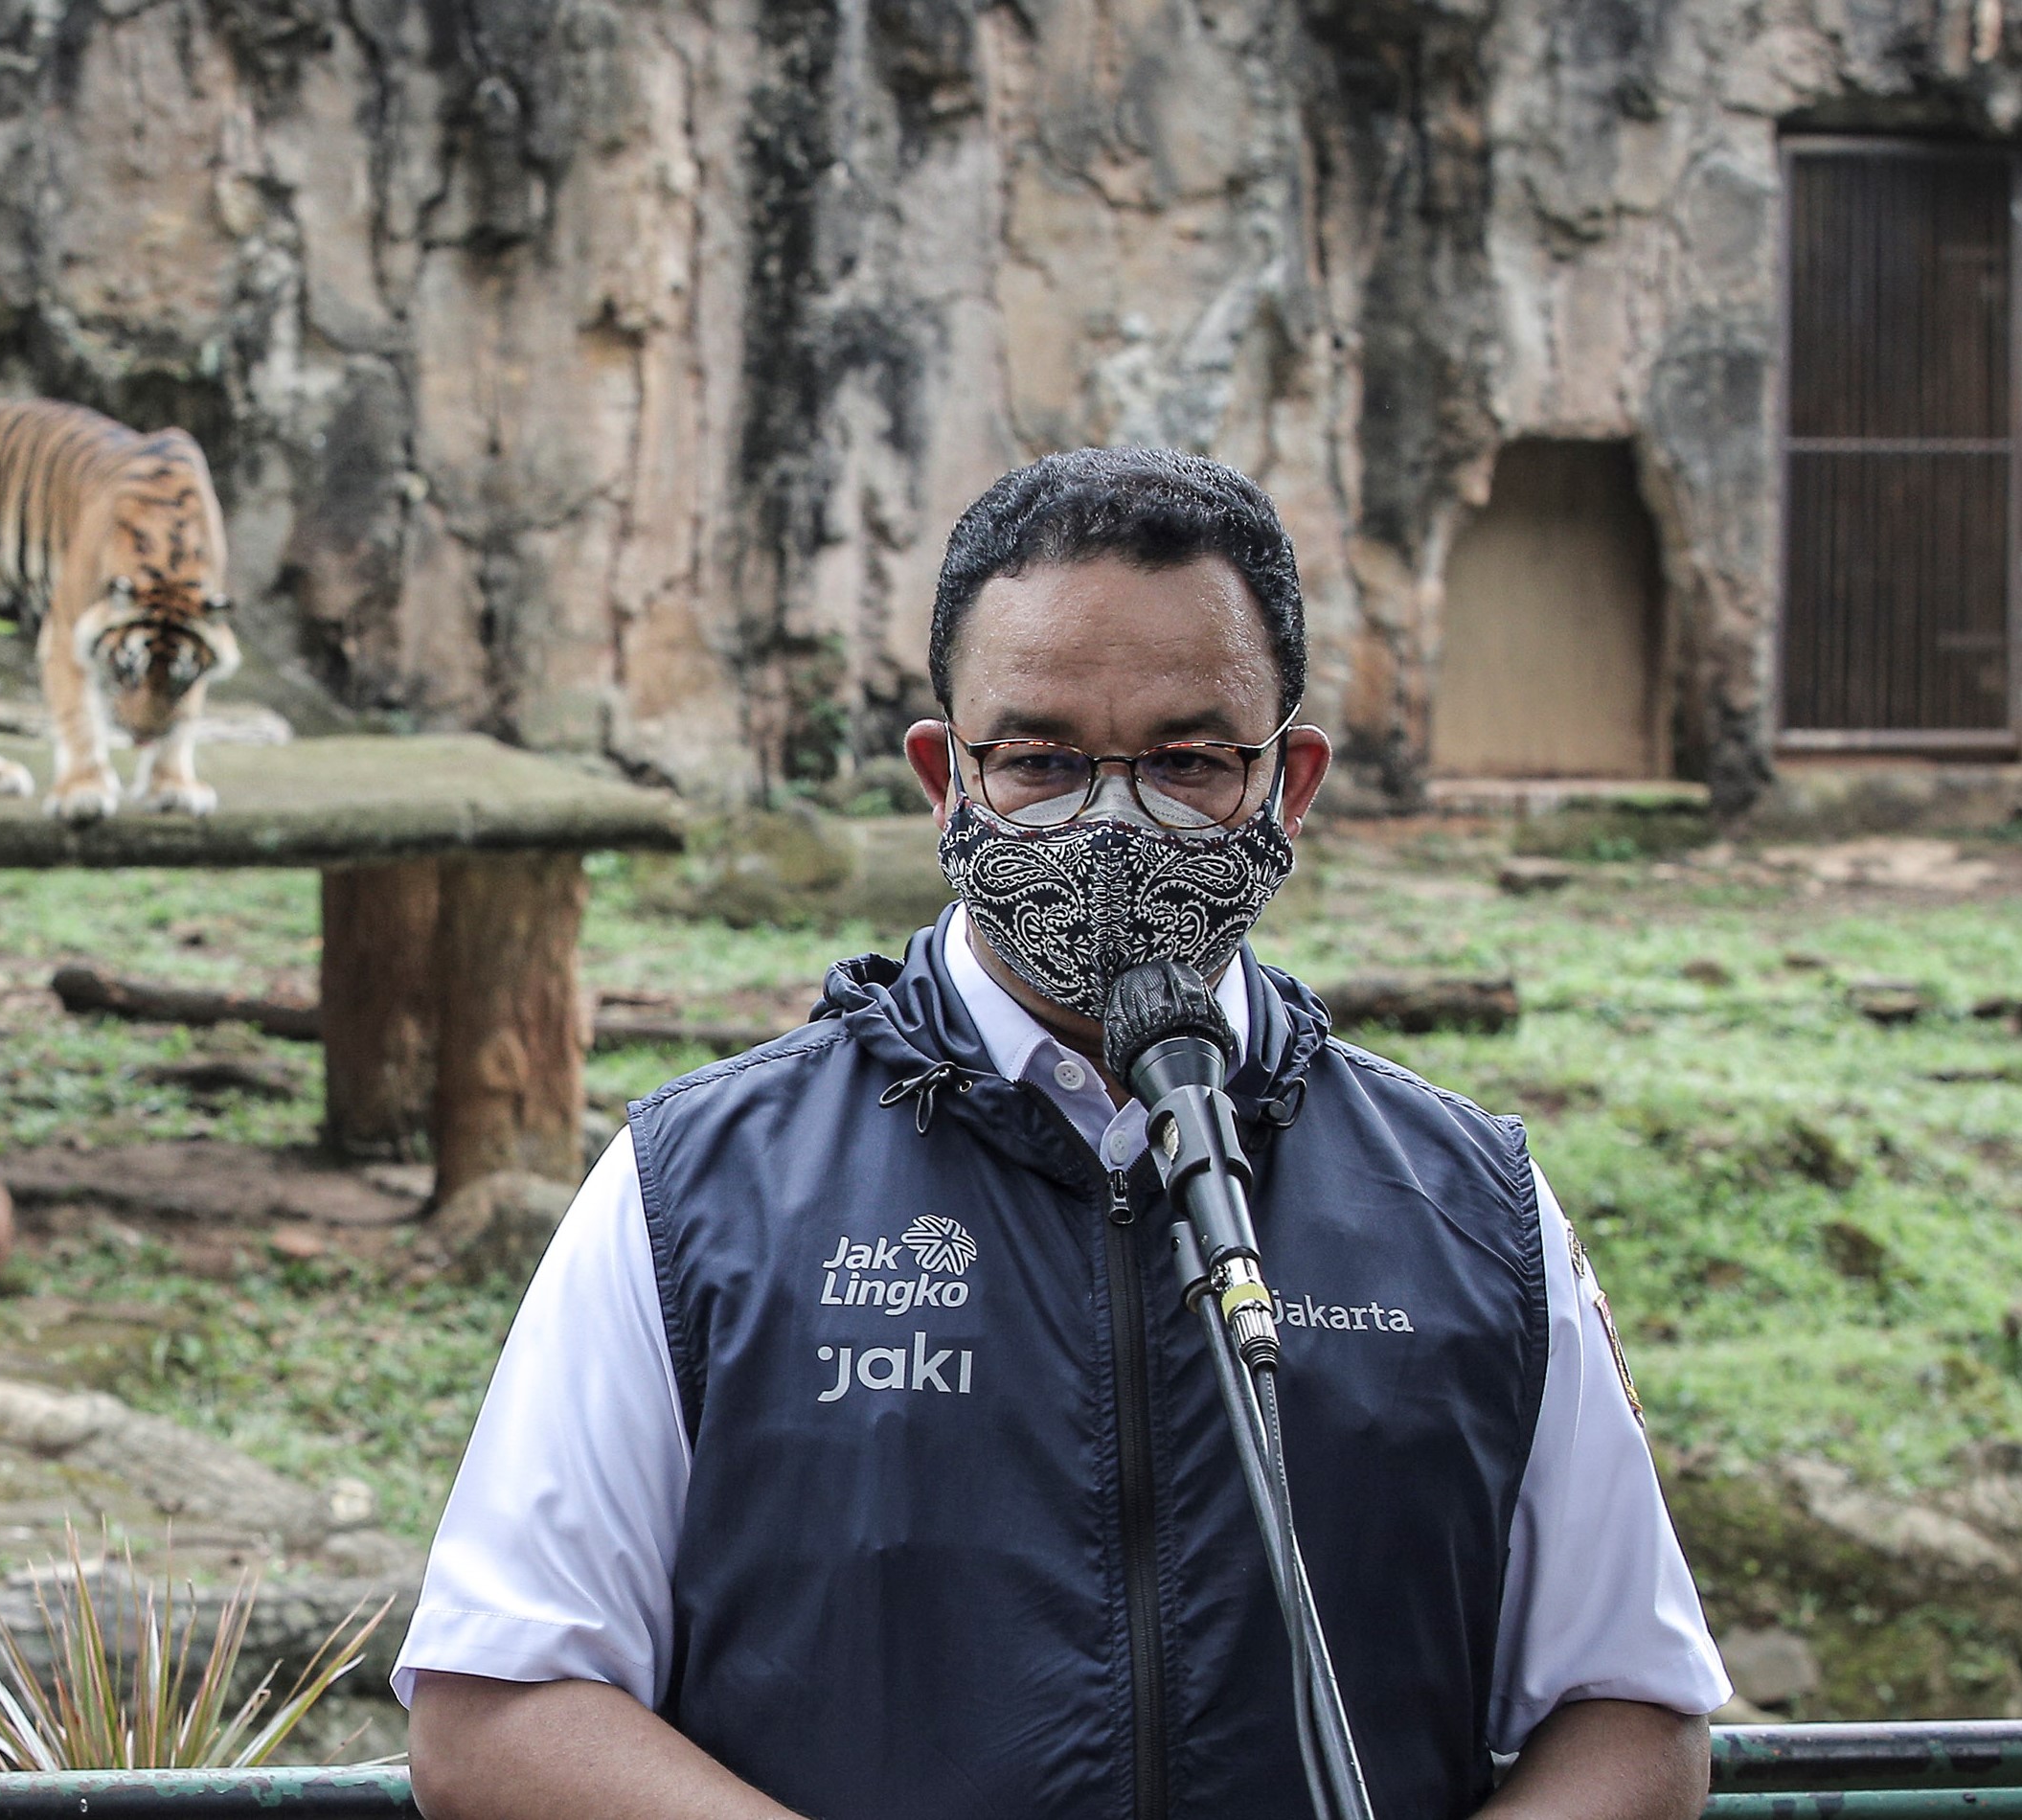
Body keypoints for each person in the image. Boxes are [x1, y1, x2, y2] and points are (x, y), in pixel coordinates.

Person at [394, 447, 1730, 1820]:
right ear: (943, 778)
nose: (1112, 819)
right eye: (1039, 758)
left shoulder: (1467, 1209)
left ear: (1292, 782)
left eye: (1190, 760)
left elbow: (1630, 1711)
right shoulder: (697, 1193)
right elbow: (496, 1713)